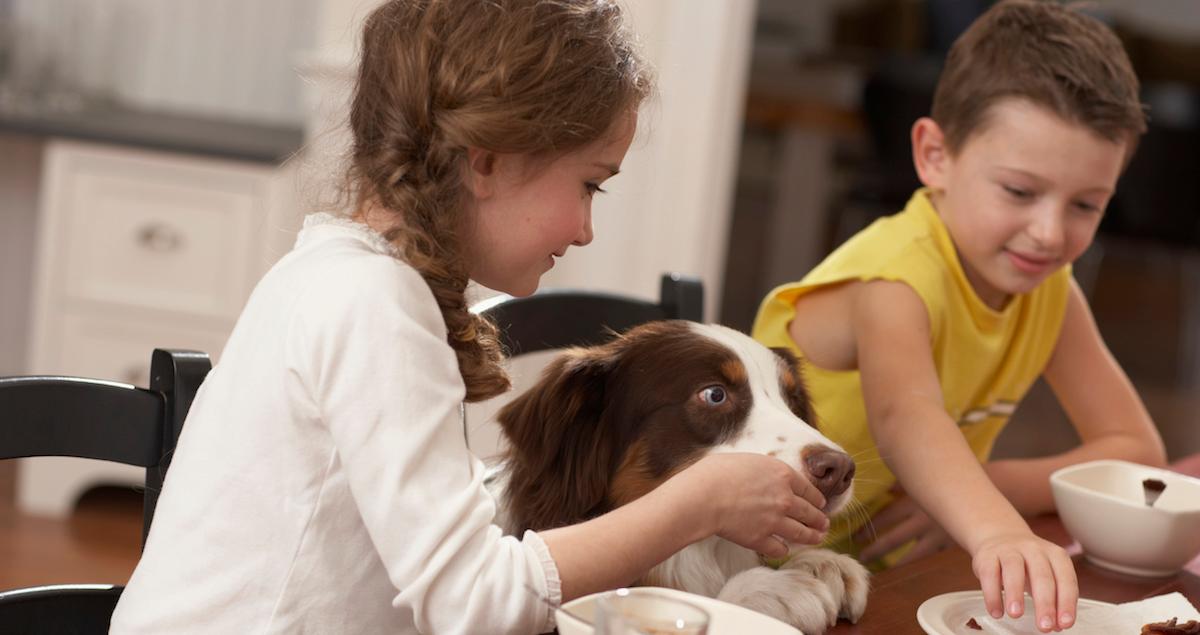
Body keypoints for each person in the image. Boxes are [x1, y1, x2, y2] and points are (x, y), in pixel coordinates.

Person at [110, 1, 832, 633]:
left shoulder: (336, 274)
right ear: (485, 162)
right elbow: (473, 605)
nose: (585, 229)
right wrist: (697, 502)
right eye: (588, 186)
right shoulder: (372, 305)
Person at [752, 1, 1167, 632]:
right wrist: (995, 525)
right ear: (935, 155)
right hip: (761, 572)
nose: (1050, 233)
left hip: (887, 578)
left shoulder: (1050, 291)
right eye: (1020, 192)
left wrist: (981, 488)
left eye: (1087, 204)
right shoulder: (896, 276)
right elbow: (906, 418)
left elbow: (1136, 450)